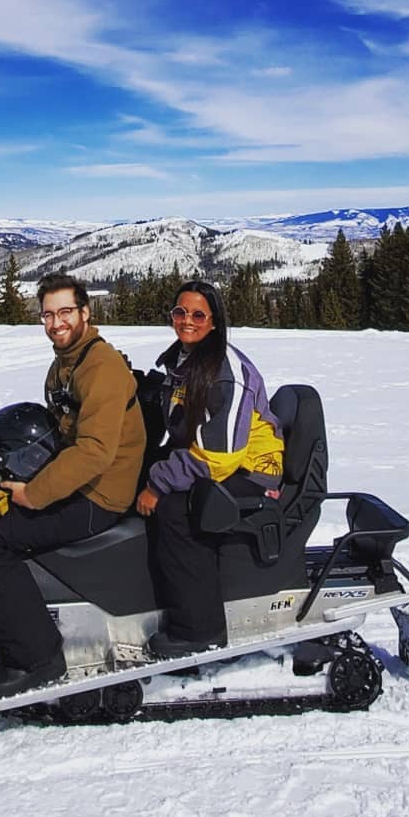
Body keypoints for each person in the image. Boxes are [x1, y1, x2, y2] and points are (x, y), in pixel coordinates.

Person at [0, 272, 145, 700]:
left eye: (65, 312)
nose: (56, 323)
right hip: (80, 480)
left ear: (84, 312)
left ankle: (37, 658)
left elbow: (94, 451)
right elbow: (59, 432)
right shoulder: (67, 362)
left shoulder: (100, 367)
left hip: (100, 495)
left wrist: (34, 493)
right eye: (47, 314)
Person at [136, 278, 283, 657]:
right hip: (212, 456)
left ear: (214, 321)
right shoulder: (182, 359)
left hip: (250, 469)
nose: (187, 320)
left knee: (177, 510)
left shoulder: (225, 372)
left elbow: (220, 456)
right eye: (180, 312)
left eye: (198, 314)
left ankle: (200, 629)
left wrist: (158, 484)